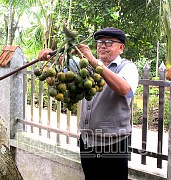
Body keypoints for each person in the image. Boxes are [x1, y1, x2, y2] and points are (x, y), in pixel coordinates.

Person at [38, 27, 139, 180]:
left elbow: (124, 89)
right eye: (100, 42)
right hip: (88, 141)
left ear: (121, 47)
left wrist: (93, 61)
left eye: (109, 42)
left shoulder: (127, 67)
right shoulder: (85, 66)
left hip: (113, 144)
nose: (102, 45)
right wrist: (48, 54)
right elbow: (60, 61)